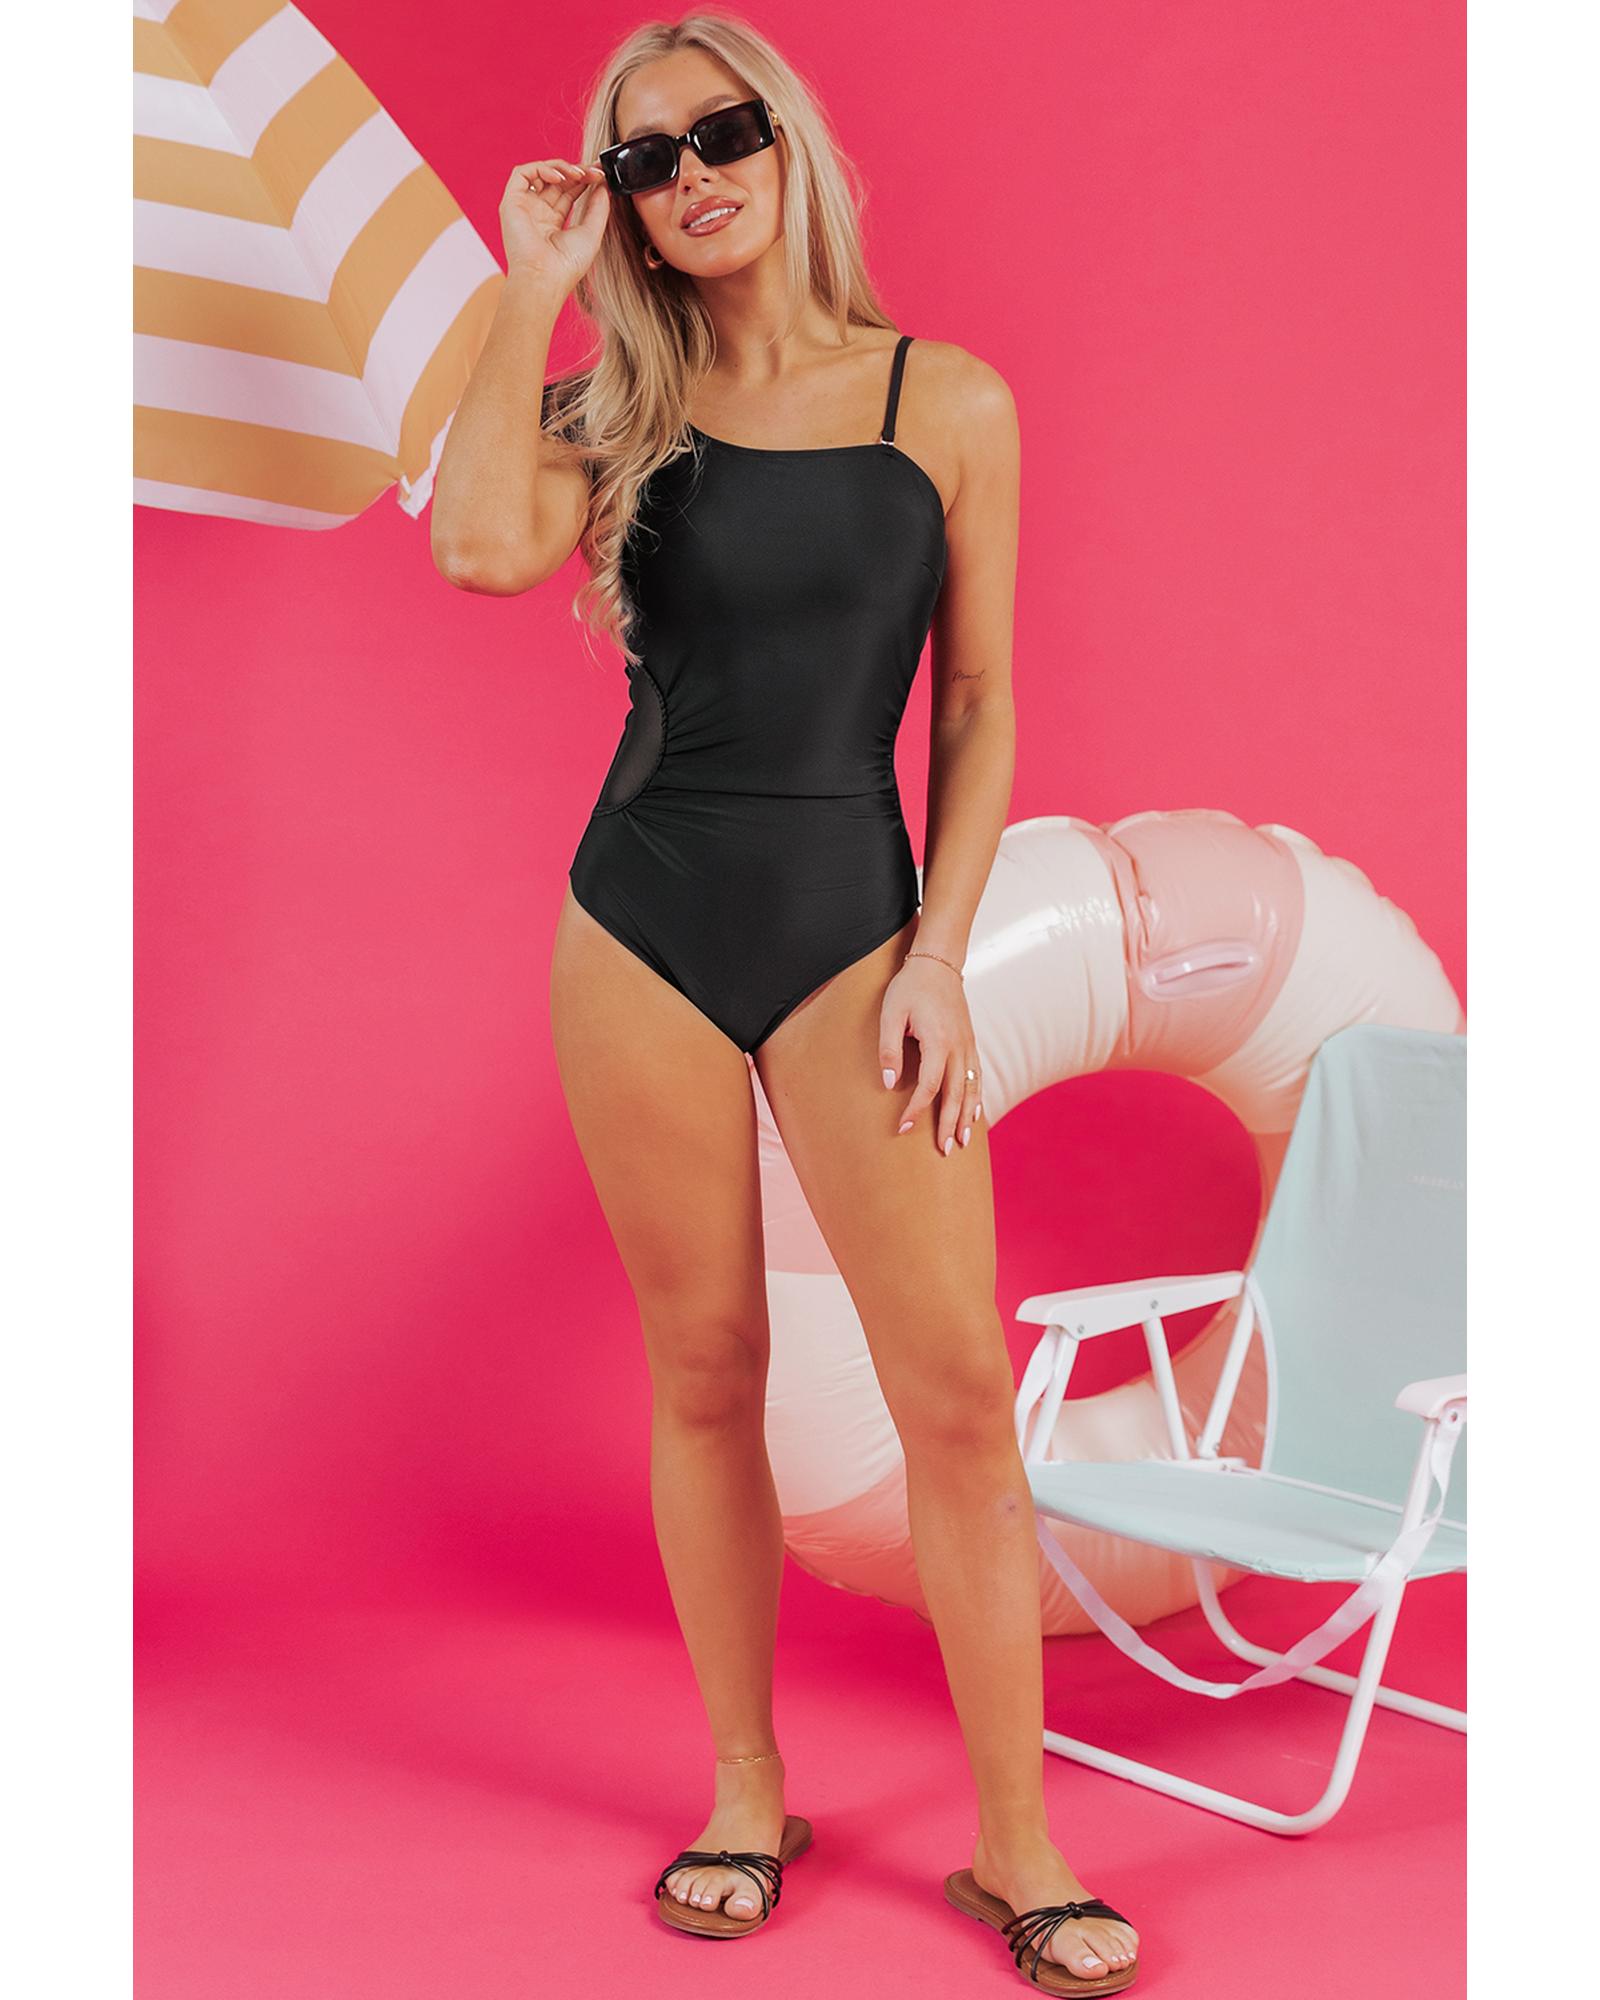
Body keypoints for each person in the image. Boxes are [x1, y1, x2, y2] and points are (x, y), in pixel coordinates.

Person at [428, 12, 1140, 1990]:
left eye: (719, 133)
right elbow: (479, 547)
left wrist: (939, 956)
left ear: (786, 143)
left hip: (855, 930)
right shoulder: (613, 407)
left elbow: (979, 701)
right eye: (643, 158)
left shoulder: (945, 399)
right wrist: (533, 287)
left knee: (955, 1397)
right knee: (703, 1368)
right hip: (639, 924)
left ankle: (1017, 1845)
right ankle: (746, 1791)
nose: (689, 176)